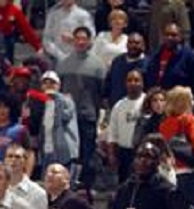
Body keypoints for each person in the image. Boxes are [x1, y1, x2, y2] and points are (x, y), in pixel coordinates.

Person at [57, 26, 105, 189]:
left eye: (84, 39)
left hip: (88, 116)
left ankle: (87, 187)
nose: (81, 42)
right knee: (69, 153)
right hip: (68, 118)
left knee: (87, 154)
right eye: (78, 38)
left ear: (89, 41)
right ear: (73, 40)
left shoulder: (98, 65)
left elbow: (101, 93)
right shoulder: (63, 64)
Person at [158, 85, 194, 209]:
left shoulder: (163, 124)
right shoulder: (189, 119)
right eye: (191, 99)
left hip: (173, 175)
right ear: (184, 102)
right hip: (191, 174)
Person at [144, 23, 194, 120]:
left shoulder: (191, 57)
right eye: (167, 35)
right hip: (158, 111)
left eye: (173, 35)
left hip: (181, 112)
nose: (169, 38)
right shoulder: (155, 57)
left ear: (180, 37)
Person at [107, 69, 146, 183]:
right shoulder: (119, 106)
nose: (133, 83)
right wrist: (112, 154)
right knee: (125, 184)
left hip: (143, 153)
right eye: (129, 80)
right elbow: (113, 133)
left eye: (136, 80)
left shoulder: (147, 102)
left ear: (142, 83)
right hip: (124, 153)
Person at [106, 32, 147, 107]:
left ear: (143, 45)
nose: (133, 45)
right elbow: (109, 82)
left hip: (138, 107)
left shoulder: (148, 64)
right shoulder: (117, 61)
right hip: (115, 106)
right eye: (130, 42)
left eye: (136, 43)